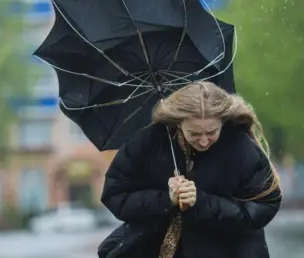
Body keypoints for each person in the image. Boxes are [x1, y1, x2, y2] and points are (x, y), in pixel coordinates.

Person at [99, 81, 282, 258]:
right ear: (178, 123)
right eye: (194, 133)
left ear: (223, 122)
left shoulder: (242, 149)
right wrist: (166, 200)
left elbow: (263, 207)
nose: (203, 141)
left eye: (212, 132)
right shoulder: (147, 142)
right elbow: (116, 195)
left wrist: (200, 203)